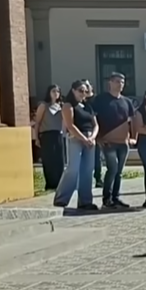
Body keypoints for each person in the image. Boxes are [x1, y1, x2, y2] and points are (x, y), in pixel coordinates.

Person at [93, 73, 137, 209]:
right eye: (117, 81)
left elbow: (132, 121)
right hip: (108, 142)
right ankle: (107, 199)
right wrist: (98, 137)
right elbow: (94, 118)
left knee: (119, 171)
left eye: (122, 82)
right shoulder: (100, 100)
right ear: (110, 83)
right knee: (112, 168)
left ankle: (116, 198)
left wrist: (133, 137)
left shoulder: (127, 102)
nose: (120, 84)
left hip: (123, 143)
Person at [53, 80, 98, 210]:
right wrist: (84, 138)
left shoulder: (88, 106)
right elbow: (70, 125)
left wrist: (92, 137)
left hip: (90, 139)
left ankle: (85, 201)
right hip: (76, 138)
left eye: (85, 91)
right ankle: (61, 199)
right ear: (73, 90)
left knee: (88, 170)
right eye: (80, 91)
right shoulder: (68, 105)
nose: (83, 94)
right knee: (73, 168)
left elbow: (95, 124)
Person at [32, 84, 64, 191]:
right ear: (49, 93)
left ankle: (59, 183)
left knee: (59, 160)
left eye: (57, 91)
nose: (56, 94)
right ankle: (50, 183)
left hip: (58, 135)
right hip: (46, 135)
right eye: (53, 91)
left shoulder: (61, 107)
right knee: (48, 160)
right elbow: (37, 122)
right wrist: (36, 137)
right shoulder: (44, 106)